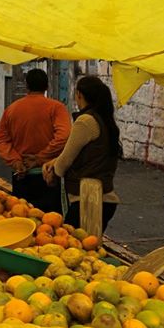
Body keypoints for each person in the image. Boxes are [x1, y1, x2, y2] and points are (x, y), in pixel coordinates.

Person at [42, 76, 122, 233]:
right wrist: (54, 162)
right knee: (89, 248)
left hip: (87, 199)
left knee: (74, 247)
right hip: (104, 198)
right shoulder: (103, 119)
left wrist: (53, 173)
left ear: (79, 94)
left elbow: (66, 159)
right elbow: (84, 154)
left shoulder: (85, 121)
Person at [0, 69, 71, 214]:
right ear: (47, 86)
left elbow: (1, 141)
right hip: (49, 175)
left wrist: (16, 161)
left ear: (26, 86)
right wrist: (40, 158)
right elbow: (64, 137)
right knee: (51, 223)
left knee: (23, 219)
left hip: (21, 175)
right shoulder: (56, 108)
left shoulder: (12, 109)